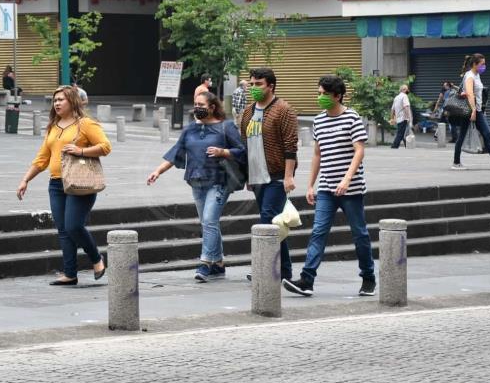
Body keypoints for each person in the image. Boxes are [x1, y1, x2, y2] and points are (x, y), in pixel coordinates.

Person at [283, 74, 376, 297]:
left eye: (325, 94)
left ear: (338, 95)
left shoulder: (352, 118)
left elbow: (359, 151)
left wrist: (346, 179)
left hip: (351, 189)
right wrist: (310, 185)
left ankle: (368, 277)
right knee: (318, 232)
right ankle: (307, 280)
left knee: (359, 234)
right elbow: (317, 154)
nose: (320, 97)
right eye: (319, 93)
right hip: (326, 188)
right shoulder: (319, 120)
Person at [16, 86, 111, 286]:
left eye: (61, 99)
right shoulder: (53, 126)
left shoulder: (85, 124)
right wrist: (25, 179)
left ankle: (96, 259)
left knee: (74, 226)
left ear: (73, 101)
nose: (57, 103)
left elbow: (105, 147)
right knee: (63, 230)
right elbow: (42, 159)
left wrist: (80, 151)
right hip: (56, 184)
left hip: (79, 182)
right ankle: (70, 273)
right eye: (55, 100)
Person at [147, 91, 245, 282]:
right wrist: (157, 171)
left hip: (219, 182)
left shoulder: (226, 127)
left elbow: (241, 151)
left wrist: (223, 151)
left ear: (212, 107)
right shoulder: (190, 129)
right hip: (196, 182)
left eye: (201, 105)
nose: (197, 108)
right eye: (195, 104)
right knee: (208, 223)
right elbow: (177, 152)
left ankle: (205, 263)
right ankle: (218, 264)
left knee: (209, 221)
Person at [240, 67, 299, 282]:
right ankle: (284, 271)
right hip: (256, 176)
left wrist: (289, 176)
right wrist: (248, 174)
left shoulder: (284, 110)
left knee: (267, 221)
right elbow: (245, 143)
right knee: (275, 224)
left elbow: (290, 145)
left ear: (271, 86)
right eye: (252, 84)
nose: (254, 88)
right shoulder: (248, 112)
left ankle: (263, 268)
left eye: (259, 84)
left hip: (276, 175)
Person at [452, 53, 490, 171]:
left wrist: (480, 109)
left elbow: (478, 93)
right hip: (469, 110)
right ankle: (456, 163)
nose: (484, 66)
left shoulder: (476, 75)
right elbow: (469, 94)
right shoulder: (470, 76)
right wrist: (474, 110)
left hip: (477, 110)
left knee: (486, 134)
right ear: (475, 64)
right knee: (464, 136)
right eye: (482, 64)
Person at [390, 84, 412, 149]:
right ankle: (394, 146)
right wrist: (408, 117)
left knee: (402, 133)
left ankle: (407, 145)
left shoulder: (396, 97)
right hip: (403, 118)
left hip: (398, 118)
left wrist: (392, 118)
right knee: (400, 133)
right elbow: (406, 107)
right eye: (407, 89)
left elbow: (392, 109)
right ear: (403, 90)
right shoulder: (404, 96)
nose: (408, 90)